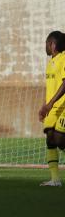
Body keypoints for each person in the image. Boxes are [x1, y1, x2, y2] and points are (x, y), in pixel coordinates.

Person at [38, 31, 65, 186]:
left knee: (60, 140)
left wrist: (50, 103)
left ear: (53, 44)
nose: (46, 47)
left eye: (47, 43)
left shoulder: (64, 58)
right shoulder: (50, 64)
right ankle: (55, 179)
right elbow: (51, 87)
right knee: (50, 138)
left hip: (63, 106)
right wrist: (45, 106)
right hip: (52, 107)